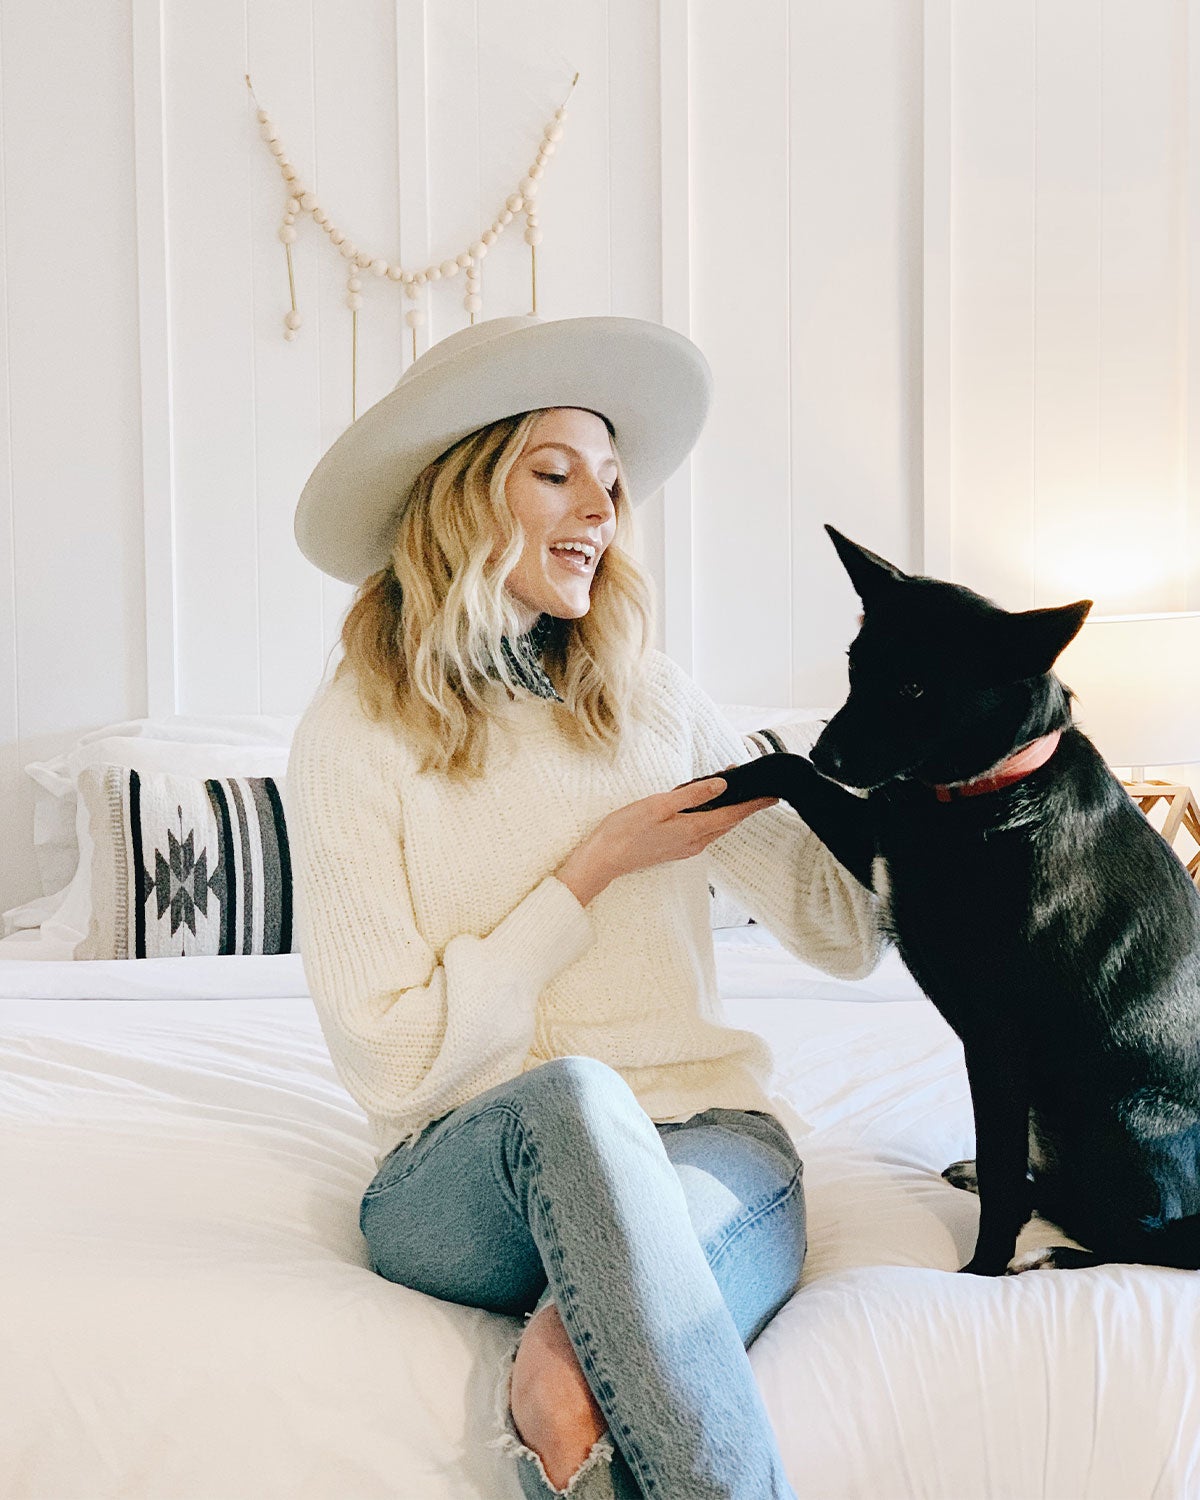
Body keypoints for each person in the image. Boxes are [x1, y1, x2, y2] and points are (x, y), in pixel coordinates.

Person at [287, 314, 882, 1500]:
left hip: (707, 1146)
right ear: (459, 497)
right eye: (554, 473)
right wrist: (592, 868)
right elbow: (398, 1065)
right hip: (466, 1175)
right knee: (574, 1098)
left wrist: (918, 790)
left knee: (562, 1383)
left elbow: (843, 933)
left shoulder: (650, 701)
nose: (600, 511)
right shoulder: (357, 730)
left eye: (611, 484)